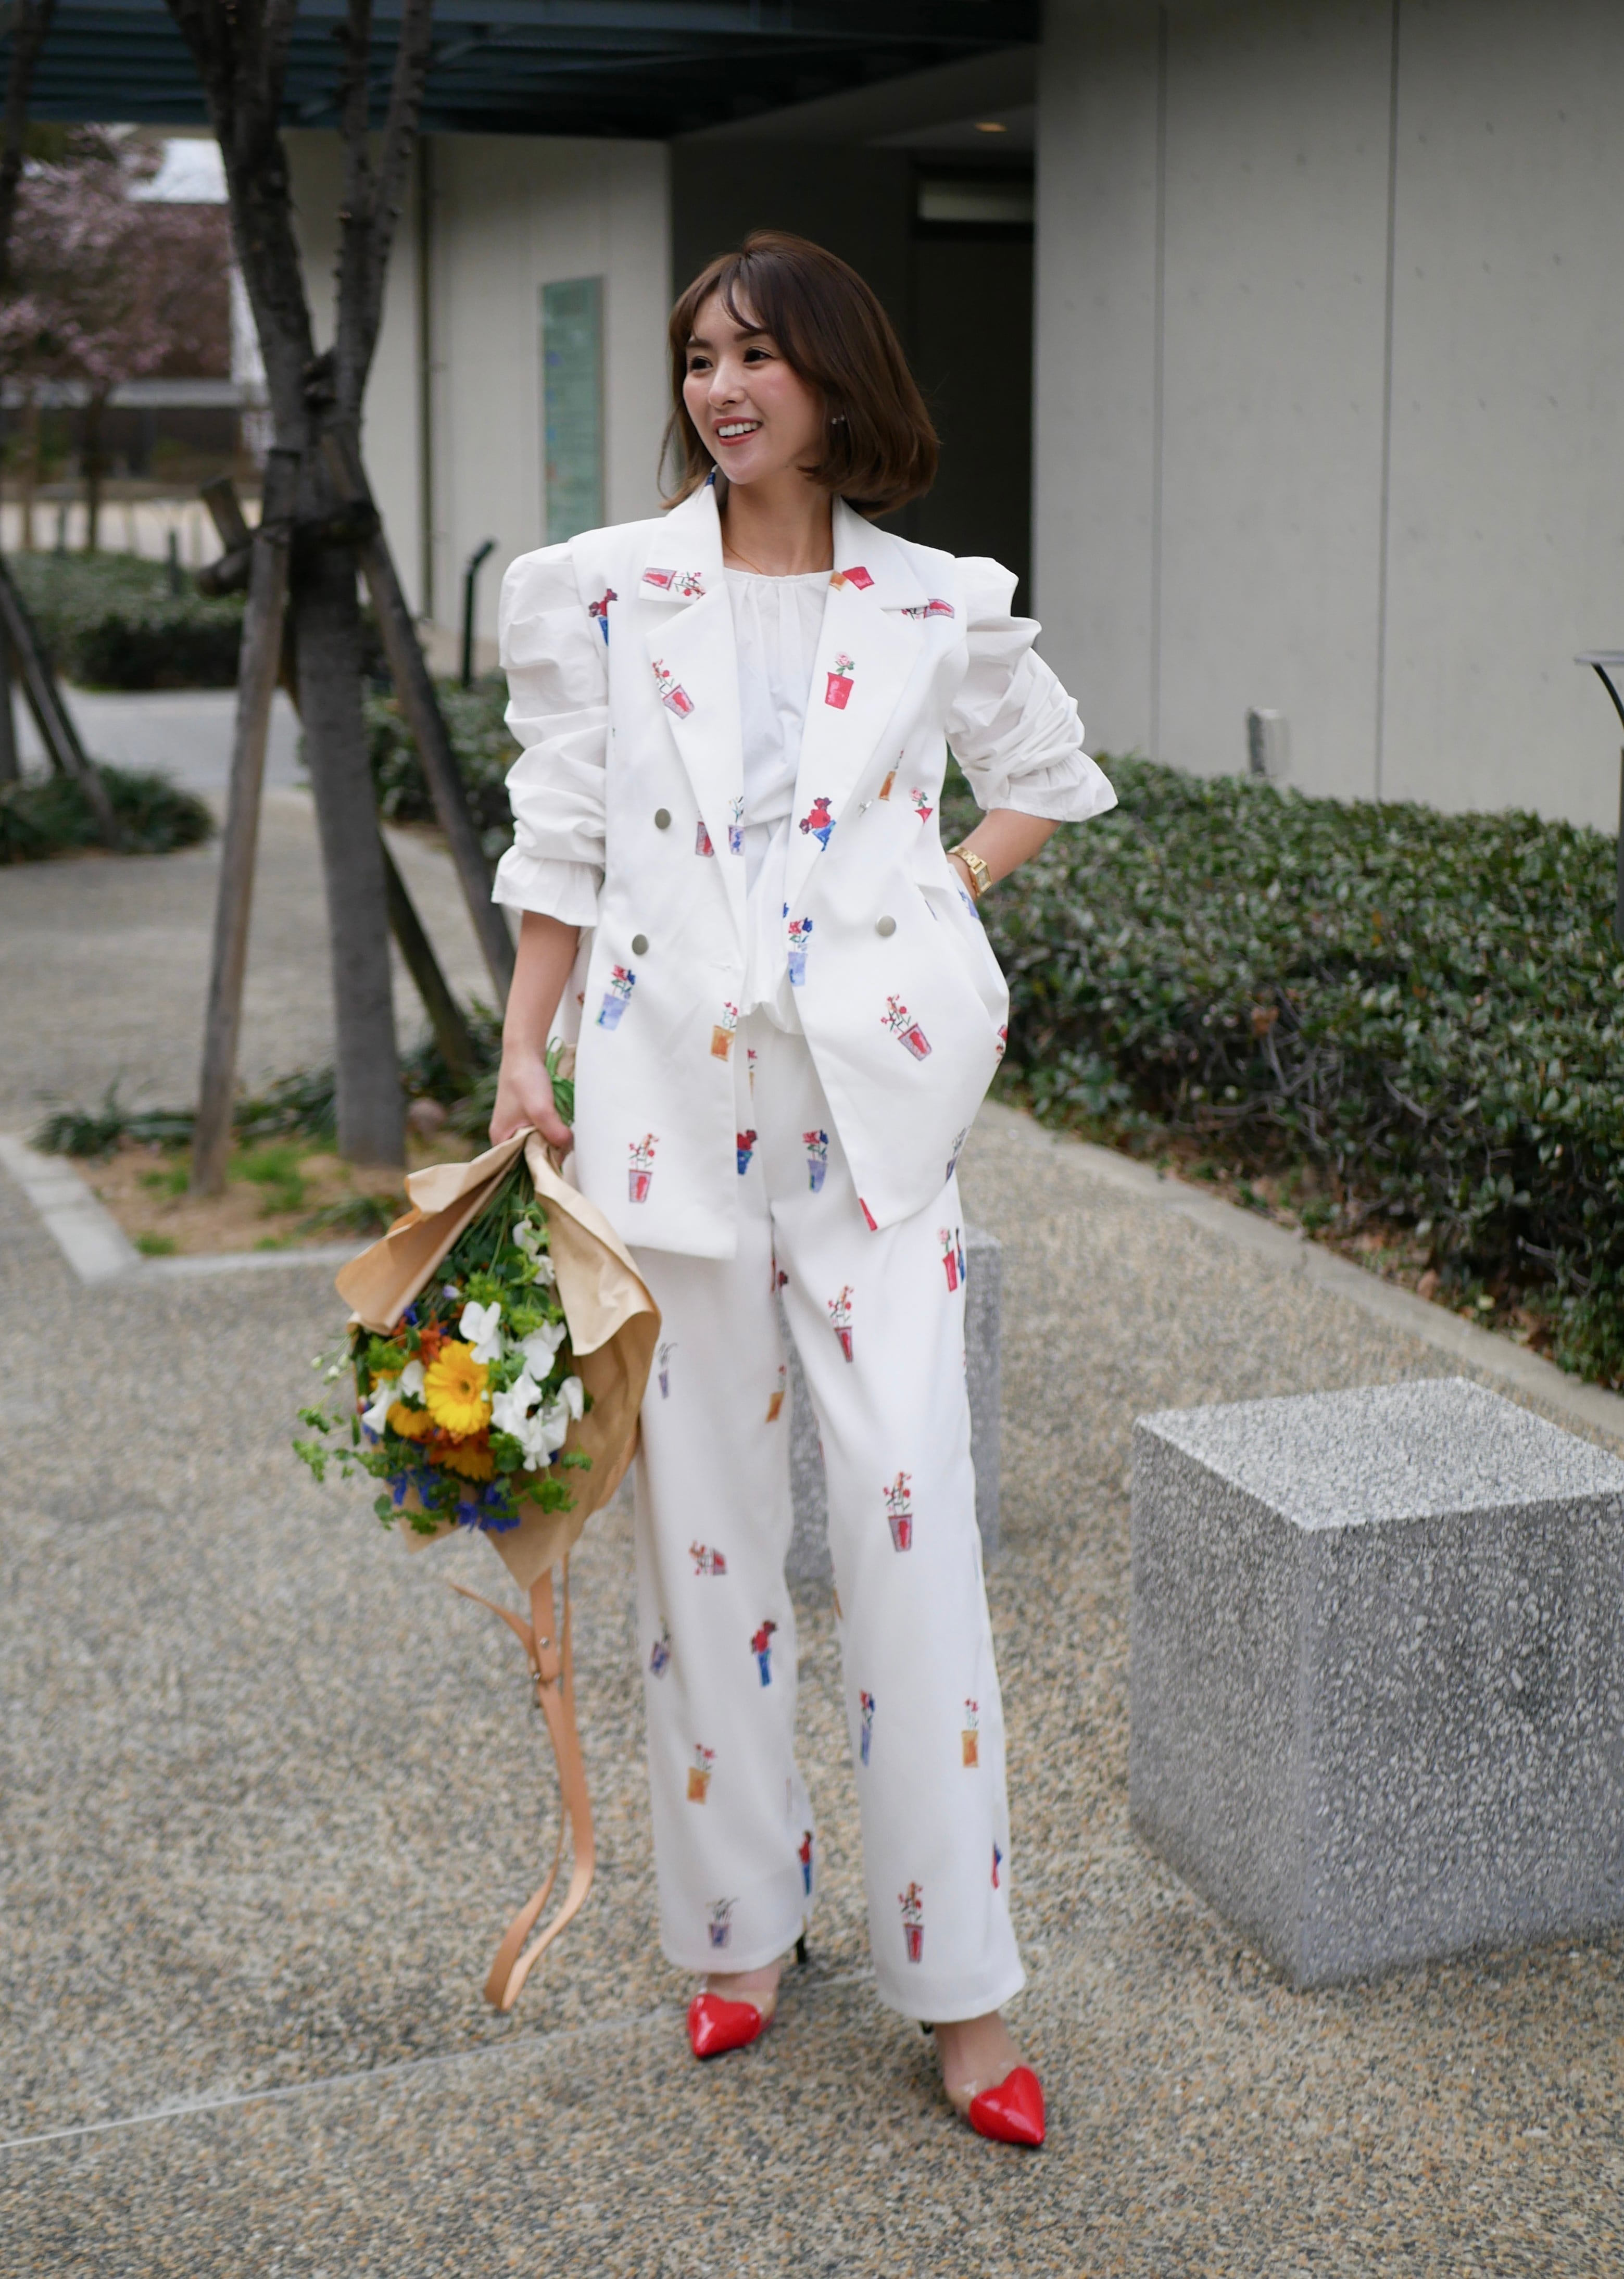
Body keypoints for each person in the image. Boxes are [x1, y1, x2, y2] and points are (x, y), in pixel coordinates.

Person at [488, 231, 1116, 2146]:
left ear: (837, 379)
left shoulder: (936, 604)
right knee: (705, 1545)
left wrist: (929, 897)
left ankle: (965, 1988)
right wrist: (523, 1050)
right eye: (700, 356)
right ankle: (740, 1933)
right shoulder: (606, 590)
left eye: (757, 355)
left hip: (873, 1135)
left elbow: (1048, 775)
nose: (720, 387)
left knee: (916, 1532)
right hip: (663, 1124)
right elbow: (565, 839)